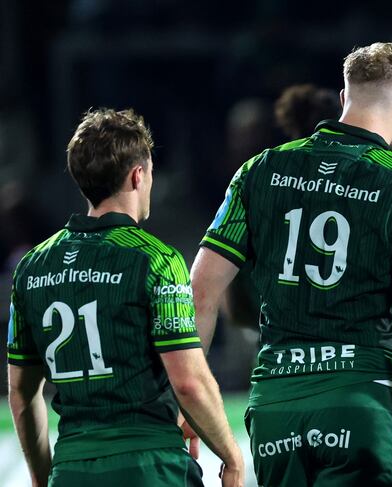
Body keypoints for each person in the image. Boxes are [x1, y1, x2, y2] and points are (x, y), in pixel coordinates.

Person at [190, 42, 392, 486]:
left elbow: (200, 292)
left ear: (345, 95)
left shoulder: (260, 170)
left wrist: (190, 403)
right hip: (357, 401)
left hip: (275, 407)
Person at [6, 108, 244, 487]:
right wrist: (230, 456)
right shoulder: (157, 260)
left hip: (72, 468)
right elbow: (187, 382)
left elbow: (21, 392)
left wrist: (42, 477)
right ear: (138, 175)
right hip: (149, 466)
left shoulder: (32, 268)